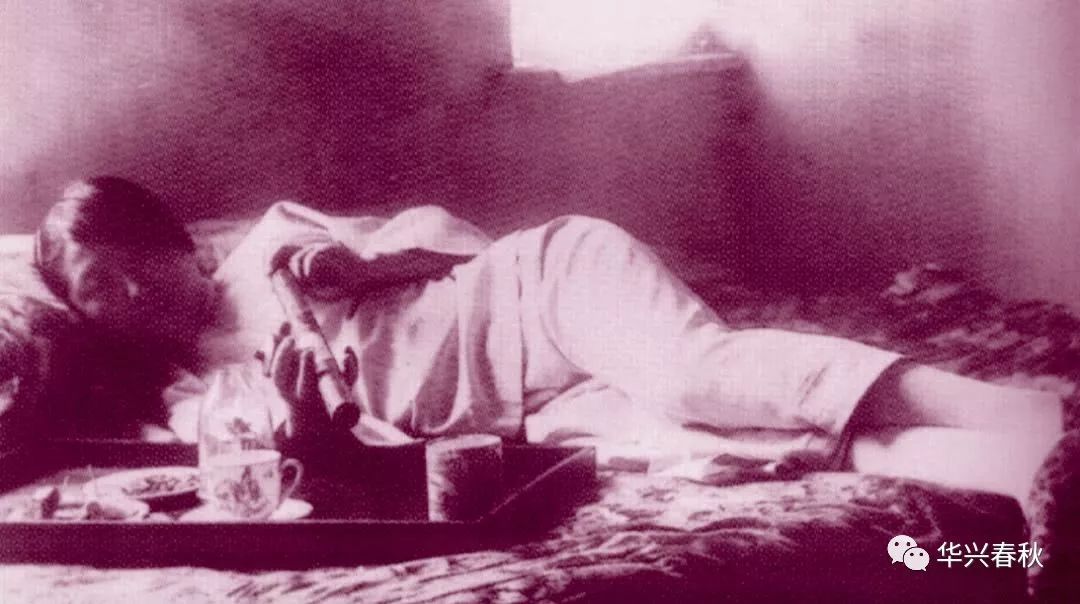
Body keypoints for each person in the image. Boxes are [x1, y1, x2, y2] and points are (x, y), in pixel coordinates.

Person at [32, 176, 1077, 592]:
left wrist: (363, 267)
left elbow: (457, 245)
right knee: (754, 442)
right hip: (535, 416)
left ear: (174, 243)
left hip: (544, 291)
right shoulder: (197, 393)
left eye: (129, 266)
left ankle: (1038, 412)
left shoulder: (275, 244)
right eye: (96, 293)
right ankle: (1022, 491)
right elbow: (314, 474)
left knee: (698, 372)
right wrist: (308, 425)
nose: (128, 295)